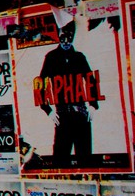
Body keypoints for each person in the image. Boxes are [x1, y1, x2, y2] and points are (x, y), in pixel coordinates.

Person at [38, 19, 97, 161]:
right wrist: (47, 109)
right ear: (59, 36)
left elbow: (91, 81)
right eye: (63, 38)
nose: (66, 42)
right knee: (60, 158)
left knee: (85, 158)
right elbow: (41, 84)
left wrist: (93, 105)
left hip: (81, 115)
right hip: (63, 116)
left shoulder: (79, 57)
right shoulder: (51, 58)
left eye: (69, 38)